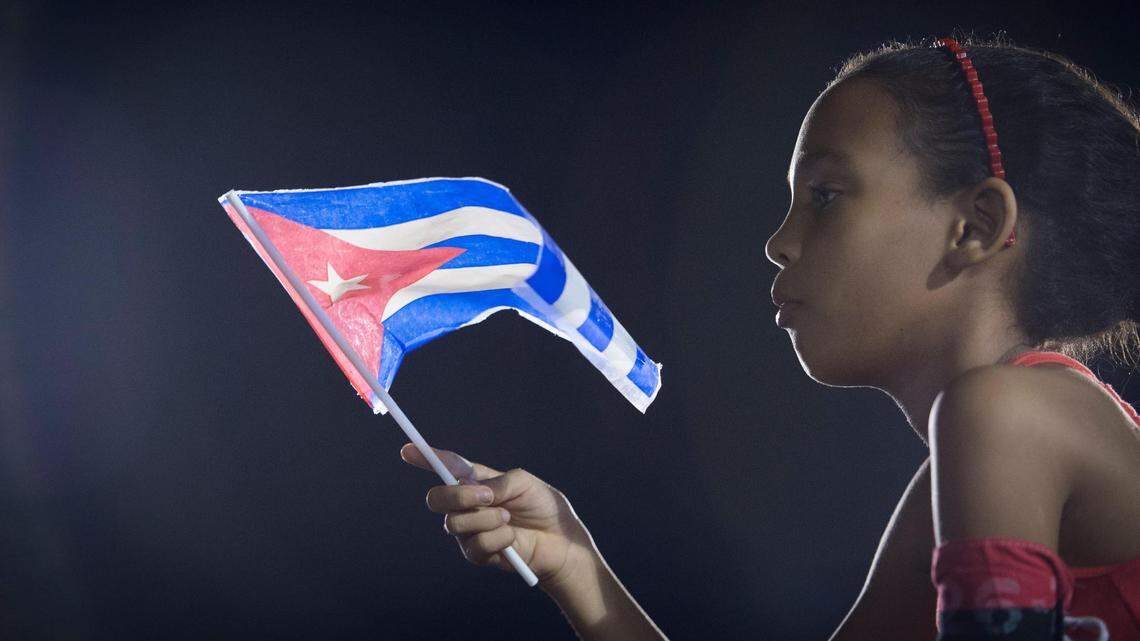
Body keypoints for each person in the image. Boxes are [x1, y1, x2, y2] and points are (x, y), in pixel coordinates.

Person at [400, 34, 1140, 641]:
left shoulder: (1003, 415)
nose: (779, 243)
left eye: (824, 196)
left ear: (975, 226)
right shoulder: (950, 491)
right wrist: (575, 563)